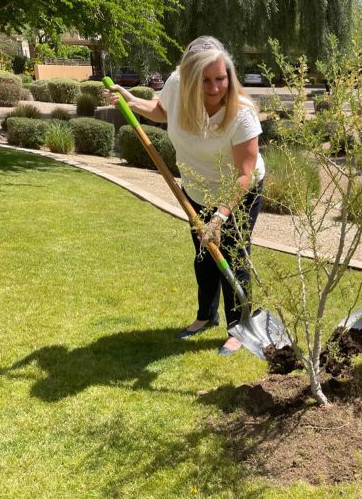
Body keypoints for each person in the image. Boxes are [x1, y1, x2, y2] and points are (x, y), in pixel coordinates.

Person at [106, 36, 264, 356]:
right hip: (196, 188)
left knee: (232, 254)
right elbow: (161, 110)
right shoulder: (178, 85)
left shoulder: (241, 113)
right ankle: (206, 316)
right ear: (189, 78)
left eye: (220, 78)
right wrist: (130, 100)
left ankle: (239, 326)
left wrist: (220, 216)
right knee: (204, 255)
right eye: (204, 80)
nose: (214, 87)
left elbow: (244, 174)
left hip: (238, 192)